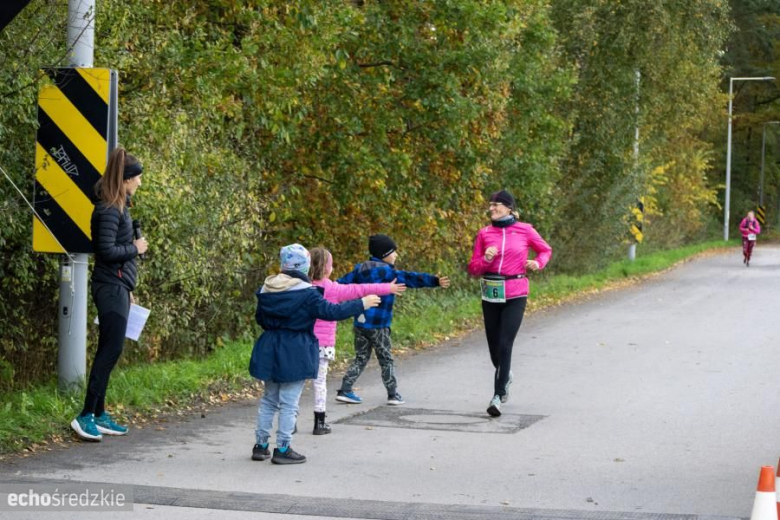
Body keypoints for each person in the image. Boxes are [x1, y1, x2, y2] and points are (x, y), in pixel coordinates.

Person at [249, 244, 380, 465]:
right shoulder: (306, 293)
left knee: (269, 399)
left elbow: (260, 319)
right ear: (304, 266)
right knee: (289, 402)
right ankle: (283, 447)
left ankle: (261, 446)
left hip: (270, 346)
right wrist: (361, 304)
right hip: (296, 349)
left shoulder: (267, 288)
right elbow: (332, 312)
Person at [70, 147, 148, 441]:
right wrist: (136, 249)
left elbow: (114, 254)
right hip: (108, 286)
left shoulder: (119, 207)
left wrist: (127, 288)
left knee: (112, 349)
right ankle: (85, 415)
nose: (140, 183)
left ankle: (99, 414)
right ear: (126, 179)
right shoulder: (108, 209)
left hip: (117, 287)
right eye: (138, 178)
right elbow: (105, 251)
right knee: (109, 351)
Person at [335, 234, 450, 406]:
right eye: (393, 252)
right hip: (379, 325)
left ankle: (345, 389)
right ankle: (393, 394)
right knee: (386, 359)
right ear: (384, 254)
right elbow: (412, 278)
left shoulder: (360, 269)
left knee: (361, 357)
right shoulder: (388, 272)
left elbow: (340, 285)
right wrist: (434, 281)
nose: (396, 255)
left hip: (360, 322)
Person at [467, 190, 551, 417]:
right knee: (494, 347)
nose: (492, 208)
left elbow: (545, 250)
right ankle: (505, 373)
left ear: (509, 208)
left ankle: (497, 395)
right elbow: (473, 268)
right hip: (491, 293)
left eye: (497, 205)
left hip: (516, 293)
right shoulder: (484, 233)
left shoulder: (525, 230)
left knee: (506, 343)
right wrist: (485, 259)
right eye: (491, 205)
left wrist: (538, 263)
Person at [309, 247, 406, 435]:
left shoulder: (301, 288)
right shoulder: (332, 289)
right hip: (322, 345)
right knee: (319, 383)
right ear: (328, 268)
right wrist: (388, 288)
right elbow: (360, 289)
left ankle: (290, 422)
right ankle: (319, 423)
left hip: (300, 342)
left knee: (295, 383)